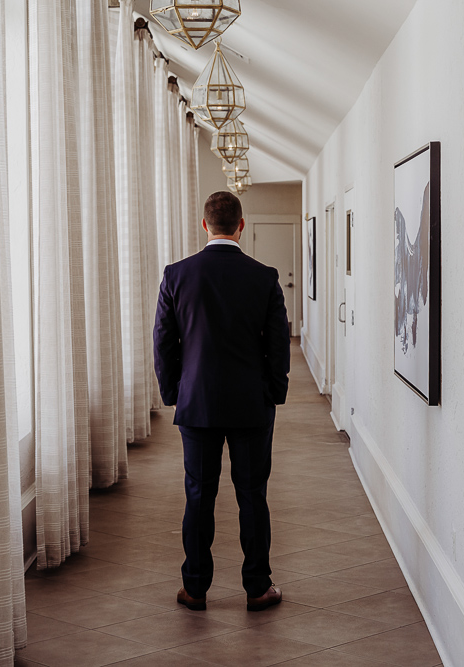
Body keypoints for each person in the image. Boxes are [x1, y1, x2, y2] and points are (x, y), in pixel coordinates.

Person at [153, 191, 291, 613]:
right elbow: (278, 344)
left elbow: (163, 343)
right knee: (252, 496)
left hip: (197, 404)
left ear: (204, 224)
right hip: (251, 404)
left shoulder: (177, 275)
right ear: (241, 225)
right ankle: (257, 588)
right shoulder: (264, 277)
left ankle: (195, 588)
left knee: (199, 496)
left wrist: (176, 393)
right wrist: (273, 391)